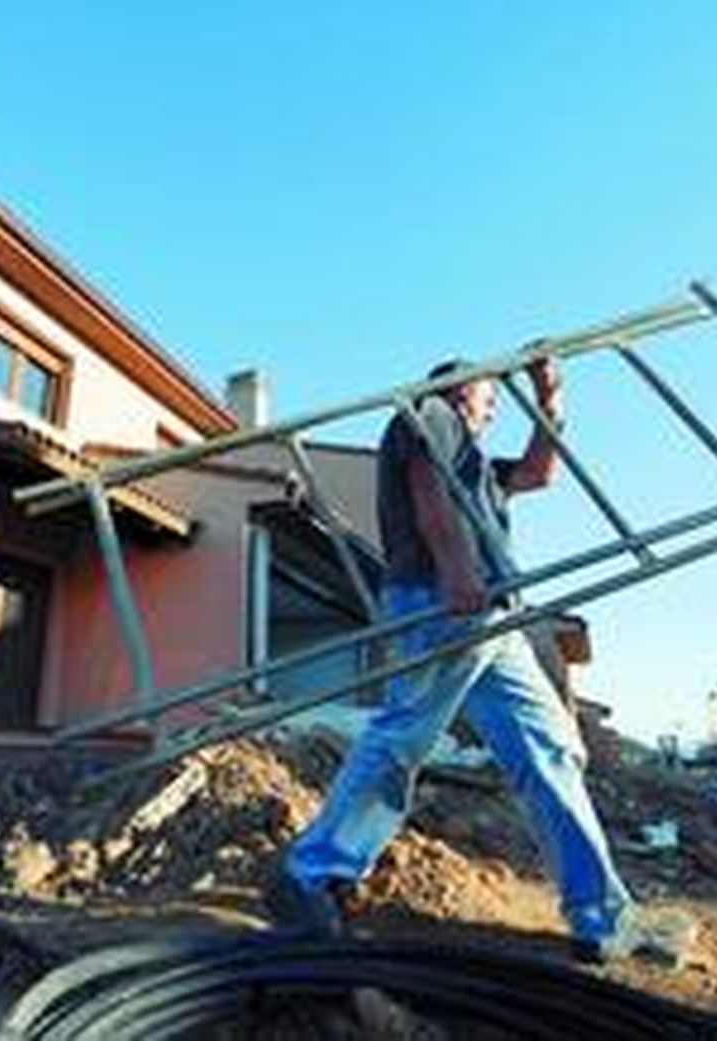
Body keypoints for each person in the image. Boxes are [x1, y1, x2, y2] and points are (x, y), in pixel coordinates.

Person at [270, 355, 690, 965]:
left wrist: (551, 405)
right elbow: (425, 484)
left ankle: (601, 916)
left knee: (550, 749)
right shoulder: (431, 413)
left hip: (496, 617)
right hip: (446, 600)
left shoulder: (477, 466)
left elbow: (541, 474)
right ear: (467, 387)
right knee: (402, 737)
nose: (495, 405)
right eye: (491, 394)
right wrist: (458, 569)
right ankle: (308, 876)